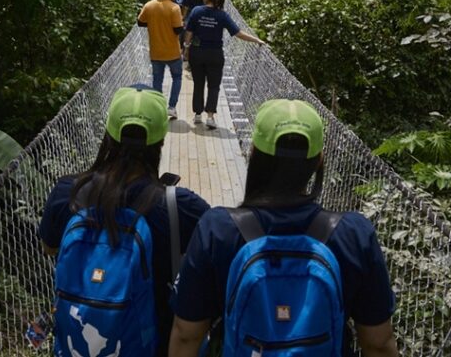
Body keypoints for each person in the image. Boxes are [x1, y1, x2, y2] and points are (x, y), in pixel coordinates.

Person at [168, 100, 399, 357]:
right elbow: (378, 343)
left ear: (254, 152)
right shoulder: (354, 234)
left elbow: (187, 335)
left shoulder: (218, 229)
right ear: (319, 160)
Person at [40, 85, 210, 357]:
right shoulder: (180, 207)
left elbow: (49, 247)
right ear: (161, 139)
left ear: (108, 134)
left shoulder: (68, 193)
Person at [183, 0, 263, 129]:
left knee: (199, 84)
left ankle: (197, 115)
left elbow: (188, 33)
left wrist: (186, 49)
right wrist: (256, 40)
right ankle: (210, 117)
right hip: (215, 54)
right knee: (214, 86)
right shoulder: (222, 15)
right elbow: (238, 33)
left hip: (197, 53)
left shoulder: (196, 11)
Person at [139, 0, 184, 118]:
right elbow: (178, 30)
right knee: (177, 77)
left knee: (157, 80)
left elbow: (140, 22)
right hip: (173, 52)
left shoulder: (148, 6)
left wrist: (154, 24)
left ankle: (158, 107)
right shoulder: (174, 8)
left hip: (156, 52)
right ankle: (171, 107)